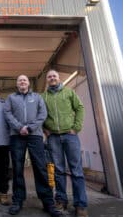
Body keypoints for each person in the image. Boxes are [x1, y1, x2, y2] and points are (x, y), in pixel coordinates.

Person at [4, 75, 61, 217]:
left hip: (35, 135)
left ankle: (48, 202)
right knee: (17, 168)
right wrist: (19, 128)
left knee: (40, 167)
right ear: (17, 84)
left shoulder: (37, 97)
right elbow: (7, 113)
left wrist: (29, 128)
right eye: (19, 80)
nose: (22, 82)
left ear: (28, 83)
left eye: (24, 80)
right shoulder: (11, 98)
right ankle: (17, 201)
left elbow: (43, 114)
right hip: (16, 136)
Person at [41, 70, 87, 217]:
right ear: (47, 80)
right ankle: (61, 201)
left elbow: (80, 108)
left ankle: (80, 205)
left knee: (76, 171)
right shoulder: (43, 97)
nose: (52, 78)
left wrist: (77, 127)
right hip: (53, 137)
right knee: (59, 171)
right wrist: (45, 129)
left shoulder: (69, 92)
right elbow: (39, 115)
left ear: (58, 78)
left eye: (54, 76)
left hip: (70, 136)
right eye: (49, 77)